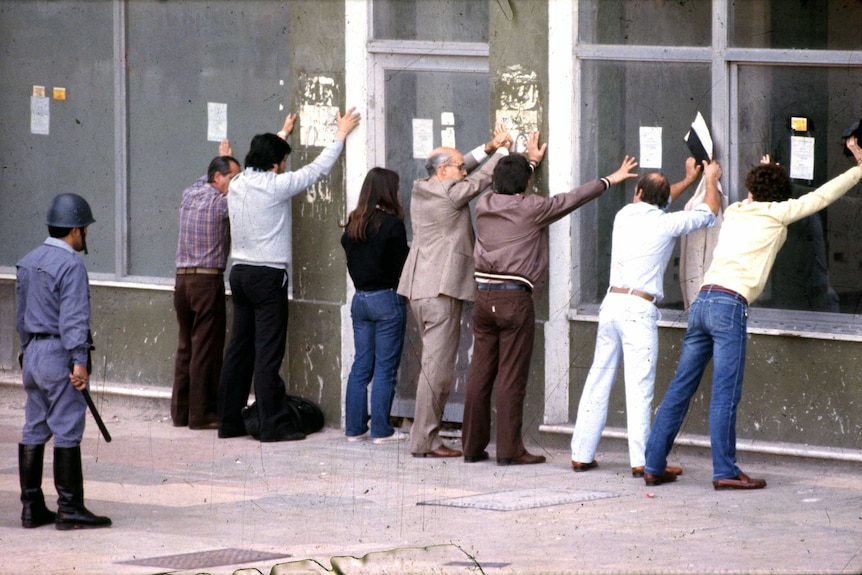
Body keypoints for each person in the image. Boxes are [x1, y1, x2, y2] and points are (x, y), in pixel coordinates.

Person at [644, 136, 862, 489]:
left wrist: (766, 171)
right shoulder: (778, 214)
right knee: (725, 393)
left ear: (751, 191)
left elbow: (756, 194)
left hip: (703, 301)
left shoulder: (736, 212)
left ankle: (653, 464)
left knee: (680, 388)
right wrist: (858, 170)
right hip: (730, 306)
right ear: (780, 196)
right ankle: (725, 472)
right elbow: (820, 197)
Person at [461, 133, 639, 465]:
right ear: (525, 186)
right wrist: (610, 179)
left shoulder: (483, 205)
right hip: (514, 300)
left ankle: (471, 448)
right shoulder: (534, 208)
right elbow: (572, 198)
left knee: (480, 373)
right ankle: (509, 450)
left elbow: (511, 186)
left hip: (483, 298)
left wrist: (529, 162)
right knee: (511, 375)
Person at [570, 158, 720, 477]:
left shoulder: (624, 215)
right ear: (662, 200)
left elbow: (659, 200)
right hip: (639, 308)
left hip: (611, 304)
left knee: (598, 378)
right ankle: (641, 460)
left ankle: (581, 454)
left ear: (637, 193)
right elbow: (709, 212)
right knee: (640, 386)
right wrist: (708, 179)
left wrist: (685, 178)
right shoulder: (667, 223)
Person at [218, 109, 361, 442]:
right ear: (276, 165)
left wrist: (282, 134)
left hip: (238, 273)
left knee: (239, 348)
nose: (285, 167)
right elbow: (317, 169)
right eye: (282, 161)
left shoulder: (237, 183)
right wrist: (340, 134)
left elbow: (264, 159)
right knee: (268, 352)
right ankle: (273, 426)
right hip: (268, 276)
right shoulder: (277, 186)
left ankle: (228, 422)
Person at [398, 124, 511, 459]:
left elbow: (465, 170)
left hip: (420, 288)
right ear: (444, 171)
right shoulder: (451, 191)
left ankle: (423, 438)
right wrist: (503, 150)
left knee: (432, 366)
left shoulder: (424, 188)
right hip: (441, 290)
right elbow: (478, 181)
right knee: (437, 370)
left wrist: (488, 146)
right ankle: (426, 442)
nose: (464, 171)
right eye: (459, 168)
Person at [16, 193, 112, 530]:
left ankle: (31, 508)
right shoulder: (71, 264)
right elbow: (73, 318)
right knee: (67, 428)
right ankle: (69, 507)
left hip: (33, 353)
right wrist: (79, 361)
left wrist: (29, 351)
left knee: (34, 427)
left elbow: (20, 313)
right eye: (84, 229)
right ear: (75, 230)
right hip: (59, 353)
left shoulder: (28, 260)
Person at [172, 140, 240, 430]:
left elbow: (204, 177)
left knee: (186, 347)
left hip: (182, 281)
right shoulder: (222, 204)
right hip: (206, 281)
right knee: (205, 350)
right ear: (218, 178)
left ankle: (181, 413)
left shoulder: (190, 193)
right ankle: (201, 415)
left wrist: (223, 159)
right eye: (232, 178)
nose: (235, 184)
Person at [341, 167, 410, 444]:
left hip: (360, 300)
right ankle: (381, 429)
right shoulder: (391, 225)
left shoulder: (353, 222)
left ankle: (355, 429)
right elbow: (402, 265)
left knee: (361, 366)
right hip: (386, 298)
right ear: (388, 191)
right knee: (384, 367)